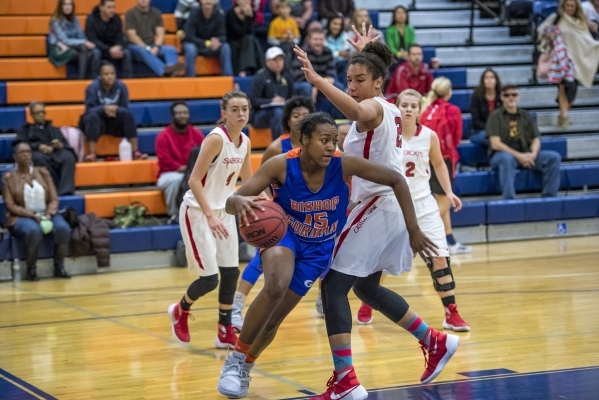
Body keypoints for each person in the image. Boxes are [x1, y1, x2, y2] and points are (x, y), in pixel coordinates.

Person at [216, 110, 440, 398]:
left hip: (318, 249)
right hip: (285, 235)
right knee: (275, 285)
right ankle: (234, 361)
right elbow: (232, 202)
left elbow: (396, 179)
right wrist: (240, 202)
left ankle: (246, 366)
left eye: (334, 140)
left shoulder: (343, 164)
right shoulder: (280, 165)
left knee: (273, 321)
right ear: (304, 139)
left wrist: (413, 229)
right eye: (324, 140)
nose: (331, 146)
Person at [293, 29, 459, 398]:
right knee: (366, 288)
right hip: (387, 206)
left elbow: (355, 109)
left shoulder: (374, 109)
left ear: (378, 82)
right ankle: (433, 340)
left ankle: (346, 380)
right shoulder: (386, 108)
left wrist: (318, 79)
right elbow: (361, 99)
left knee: (333, 287)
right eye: (349, 80)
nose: (351, 86)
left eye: (359, 80)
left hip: (380, 205)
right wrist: (367, 52)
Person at [167, 91, 254, 349]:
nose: (241, 114)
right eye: (235, 109)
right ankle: (179, 310)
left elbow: (248, 182)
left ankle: (224, 330)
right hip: (197, 211)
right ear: (224, 112)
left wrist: (271, 203)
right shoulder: (216, 139)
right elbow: (194, 180)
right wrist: (209, 216)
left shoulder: (245, 141)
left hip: (224, 210)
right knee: (210, 279)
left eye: (245, 109)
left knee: (230, 273)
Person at [231, 96, 314, 331]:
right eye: (296, 115)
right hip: (280, 214)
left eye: (305, 115)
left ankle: (322, 302)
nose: (301, 119)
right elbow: (263, 180)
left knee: (324, 257)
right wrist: (271, 206)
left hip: (308, 214)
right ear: (288, 120)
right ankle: (237, 305)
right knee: (260, 259)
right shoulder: (278, 147)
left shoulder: (317, 145)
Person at [2, 141, 72, 281]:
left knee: (63, 228)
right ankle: (31, 269)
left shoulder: (43, 172)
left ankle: (59, 267)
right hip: (21, 216)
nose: (26, 155)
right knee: (34, 231)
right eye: (22, 152)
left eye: (28, 152)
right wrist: (32, 215)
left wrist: (48, 213)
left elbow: (53, 198)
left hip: (45, 213)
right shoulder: (8, 178)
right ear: (15, 157)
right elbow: (10, 205)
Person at [421, 77, 470, 255]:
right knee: (444, 203)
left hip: (424, 158)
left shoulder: (425, 108)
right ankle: (416, 233)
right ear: (449, 92)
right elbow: (456, 138)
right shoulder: (452, 110)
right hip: (443, 159)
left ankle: (450, 241)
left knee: (441, 200)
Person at [486, 84, 562, 200]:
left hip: (525, 153)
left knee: (554, 157)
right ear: (502, 97)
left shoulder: (525, 115)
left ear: (518, 97)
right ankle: (509, 200)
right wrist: (519, 156)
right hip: (502, 155)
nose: (511, 97)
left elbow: (535, 139)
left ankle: (550, 198)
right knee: (506, 159)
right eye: (507, 95)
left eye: (514, 95)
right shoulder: (495, 116)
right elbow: (495, 143)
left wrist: (533, 155)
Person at [79, 62, 147, 161]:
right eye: (106, 74)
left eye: (112, 73)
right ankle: (92, 154)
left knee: (128, 115)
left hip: (115, 121)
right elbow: (88, 110)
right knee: (92, 117)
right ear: (100, 76)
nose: (110, 77)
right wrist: (103, 109)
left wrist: (116, 109)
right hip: (98, 123)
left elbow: (125, 108)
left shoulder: (121, 86)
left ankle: (135, 152)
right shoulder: (92, 88)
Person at [155, 101, 205, 218]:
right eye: (179, 113)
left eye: (185, 112)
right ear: (172, 116)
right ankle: (174, 215)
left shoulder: (197, 134)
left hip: (193, 172)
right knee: (176, 180)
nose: (183, 115)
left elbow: (204, 155)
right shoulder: (163, 136)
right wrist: (186, 169)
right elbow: (165, 161)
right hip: (169, 173)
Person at [16, 102, 76, 196]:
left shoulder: (53, 129)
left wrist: (60, 145)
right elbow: (20, 144)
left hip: (55, 152)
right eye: (38, 113)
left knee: (68, 157)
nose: (41, 115)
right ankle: (53, 188)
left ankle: (65, 191)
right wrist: (37, 146)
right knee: (37, 158)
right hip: (37, 152)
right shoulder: (26, 129)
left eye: (43, 112)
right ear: (32, 114)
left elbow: (65, 145)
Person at [538, 0, 599, 90]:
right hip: (559, 61)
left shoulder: (581, 21)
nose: (570, 8)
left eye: (572, 6)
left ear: (576, 7)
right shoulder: (556, 18)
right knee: (565, 91)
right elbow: (541, 31)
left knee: (569, 94)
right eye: (568, 5)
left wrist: (590, 25)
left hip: (576, 62)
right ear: (563, 6)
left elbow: (586, 40)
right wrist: (548, 35)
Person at [126, 0, 185, 77]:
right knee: (143, 50)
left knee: (171, 49)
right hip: (135, 46)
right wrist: (147, 47)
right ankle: (164, 71)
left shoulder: (156, 13)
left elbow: (160, 33)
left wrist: (157, 47)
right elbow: (131, 35)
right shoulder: (130, 13)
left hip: (152, 45)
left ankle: (172, 71)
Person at [249, 47, 295, 140]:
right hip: (260, 115)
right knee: (277, 113)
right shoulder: (260, 77)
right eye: (275, 60)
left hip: (283, 111)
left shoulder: (287, 76)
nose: (278, 62)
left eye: (280, 59)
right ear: (267, 61)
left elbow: (292, 95)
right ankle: (279, 147)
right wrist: (271, 101)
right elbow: (253, 100)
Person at [183, 0, 233, 77]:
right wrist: (206, 43)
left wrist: (217, 41)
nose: (208, 1)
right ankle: (190, 80)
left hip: (212, 47)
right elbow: (189, 36)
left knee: (226, 47)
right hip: (196, 45)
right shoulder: (194, 13)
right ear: (201, 1)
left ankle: (227, 79)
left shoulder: (219, 15)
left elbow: (223, 36)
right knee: (190, 49)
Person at [48, 0, 95, 79]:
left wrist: (86, 42)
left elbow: (79, 33)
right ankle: (82, 79)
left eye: (69, 4)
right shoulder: (55, 20)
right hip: (59, 48)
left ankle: (82, 78)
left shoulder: (75, 18)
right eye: (65, 4)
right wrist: (84, 42)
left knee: (86, 50)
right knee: (85, 54)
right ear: (60, 6)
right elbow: (64, 40)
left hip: (72, 45)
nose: (67, 7)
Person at [86, 0, 132, 78]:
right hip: (100, 48)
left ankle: (127, 80)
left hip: (113, 49)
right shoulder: (91, 19)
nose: (112, 10)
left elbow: (120, 36)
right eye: (109, 7)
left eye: (113, 7)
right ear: (101, 7)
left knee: (126, 53)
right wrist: (108, 49)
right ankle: (95, 80)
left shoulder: (117, 19)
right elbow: (93, 40)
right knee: (96, 53)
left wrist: (118, 47)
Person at [225, 0, 264, 77]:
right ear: (237, 1)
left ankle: (254, 69)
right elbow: (239, 32)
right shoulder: (230, 14)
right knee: (249, 39)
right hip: (233, 42)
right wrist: (247, 18)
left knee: (252, 39)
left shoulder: (251, 13)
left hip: (246, 42)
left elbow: (251, 32)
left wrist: (249, 17)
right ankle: (258, 67)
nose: (246, 2)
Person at [470, 68, 502, 150]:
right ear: (482, 80)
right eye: (486, 78)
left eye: (492, 77)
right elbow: (476, 121)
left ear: (496, 80)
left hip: (499, 131)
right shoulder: (476, 96)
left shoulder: (502, 95)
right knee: (491, 139)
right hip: (480, 131)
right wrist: (491, 130)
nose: (489, 80)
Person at [325, 15, 351, 88]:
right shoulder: (323, 35)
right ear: (329, 23)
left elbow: (346, 51)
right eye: (335, 24)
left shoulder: (345, 35)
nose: (337, 27)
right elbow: (325, 54)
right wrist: (338, 53)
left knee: (347, 65)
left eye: (340, 24)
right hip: (327, 65)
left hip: (341, 63)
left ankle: (347, 89)